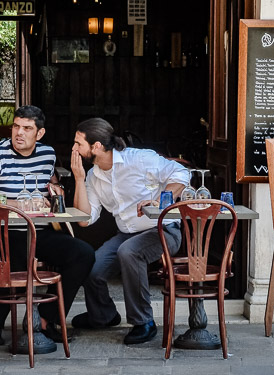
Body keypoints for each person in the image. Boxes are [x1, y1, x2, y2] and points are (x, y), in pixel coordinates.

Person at [0, 105, 95, 345]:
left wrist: (53, 192)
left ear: (40, 133)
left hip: (35, 231)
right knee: (14, 261)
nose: (19, 133)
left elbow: (51, 185)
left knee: (82, 254)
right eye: (16, 126)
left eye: (27, 128)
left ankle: (46, 319)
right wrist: (17, 203)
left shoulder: (47, 155)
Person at [70, 117, 188, 345]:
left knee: (129, 252)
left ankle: (144, 322)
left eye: (78, 143)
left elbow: (180, 173)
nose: (74, 148)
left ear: (96, 146)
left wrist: (162, 200)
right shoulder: (94, 176)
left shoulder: (140, 159)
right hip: (126, 235)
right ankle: (104, 315)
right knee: (91, 267)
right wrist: (78, 178)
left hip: (163, 229)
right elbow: (86, 219)